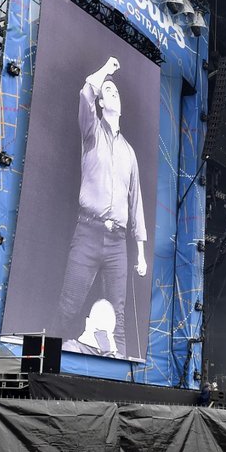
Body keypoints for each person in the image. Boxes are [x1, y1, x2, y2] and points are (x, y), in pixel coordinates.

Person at [54, 56, 147, 357]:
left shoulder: (129, 153)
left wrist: (141, 253)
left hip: (118, 242)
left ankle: (117, 382)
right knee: (69, 304)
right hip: (89, 232)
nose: (113, 93)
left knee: (117, 316)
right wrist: (106, 71)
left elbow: (137, 205)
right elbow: (85, 93)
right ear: (101, 104)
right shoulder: (92, 132)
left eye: (116, 91)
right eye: (108, 91)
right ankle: (46, 359)